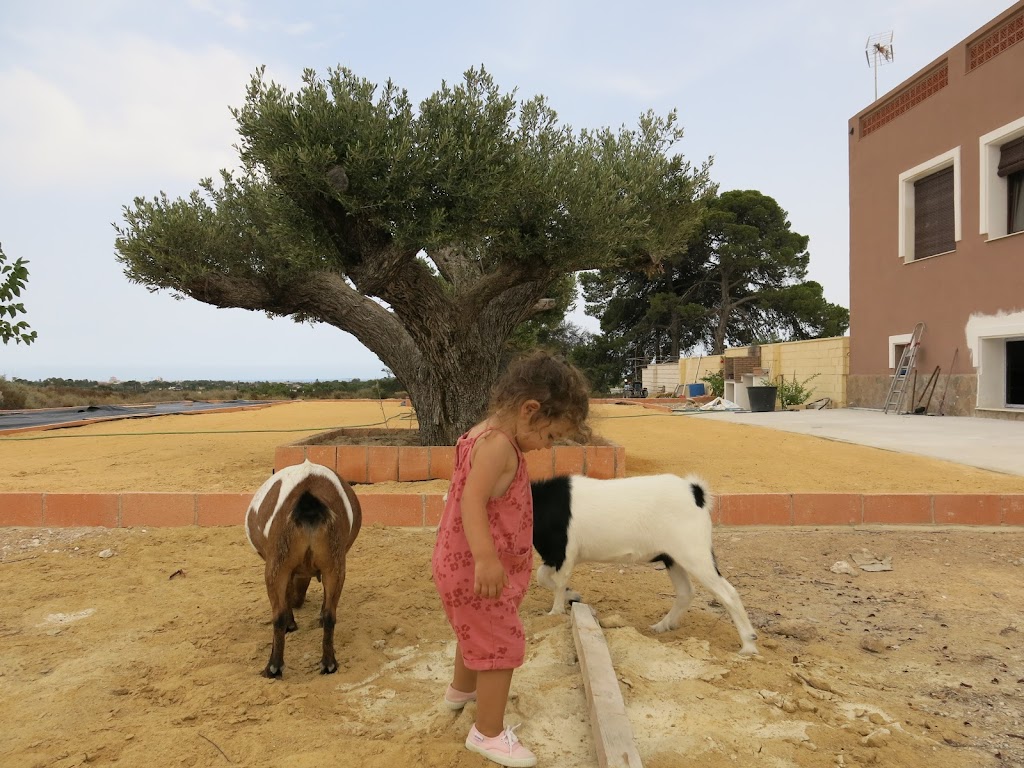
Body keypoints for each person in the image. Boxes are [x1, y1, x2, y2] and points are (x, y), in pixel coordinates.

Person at [432, 350, 591, 767]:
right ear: (530, 410)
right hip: (476, 565)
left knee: (475, 631)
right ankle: (486, 733)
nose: (546, 447)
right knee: (499, 642)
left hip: (459, 562)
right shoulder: (498, 447)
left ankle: (461, 691)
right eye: (551, 436)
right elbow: (471, 500)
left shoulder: (481, 433)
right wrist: (486, 559)